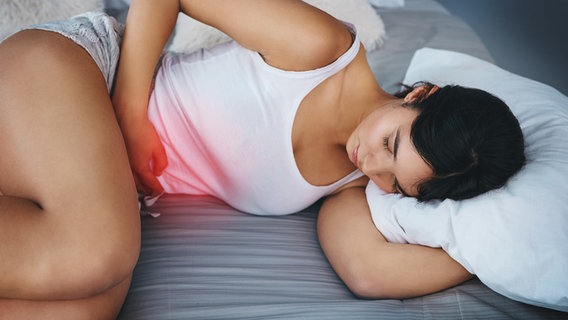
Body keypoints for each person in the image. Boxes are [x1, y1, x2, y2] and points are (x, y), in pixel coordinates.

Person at [0, 0, 525, 318]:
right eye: (391, 144)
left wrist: (486, 250)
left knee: (81, 309)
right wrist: (132, 117)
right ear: (420, 95)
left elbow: (369, 273)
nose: (370, 164)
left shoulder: (348, 187)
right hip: (81, 77)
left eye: (397, 183)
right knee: (100, 253)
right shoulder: (325, 50)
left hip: (77, 175)